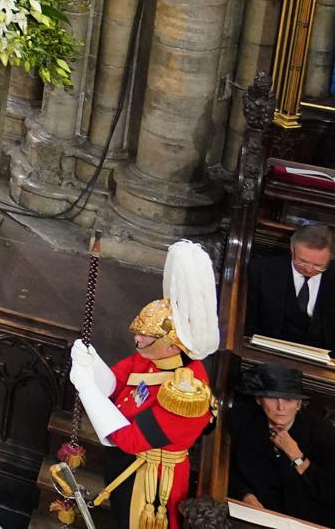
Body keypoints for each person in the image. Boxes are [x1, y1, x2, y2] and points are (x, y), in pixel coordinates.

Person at [67, 241, 219, 529]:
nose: (138, 341)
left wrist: (87, 389)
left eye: (147, 338)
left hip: (151, 480)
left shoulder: (186, 393)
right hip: (128, 463)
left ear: (173, 347)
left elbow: (133, 439)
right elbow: (117, 383)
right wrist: (91, 362)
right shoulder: (152, 358)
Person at [227, 363, 335, 525]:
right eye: (272, 398)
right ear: (258, 400)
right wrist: (244, 495)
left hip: (309, 520)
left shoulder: (322, 431)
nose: (280, 407)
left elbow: (331, 490)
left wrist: (298, 457)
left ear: (299, 404)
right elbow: (228, 467)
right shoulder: (242, 420)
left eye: (288, 400)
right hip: (256, 517)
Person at [247, 223, 335, 349]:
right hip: (270, 349)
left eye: (318, 266)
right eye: (303, 262)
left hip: (323, 356)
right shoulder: (262, 269)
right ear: (292, 249)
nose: (309, 270)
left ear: (330, 258)